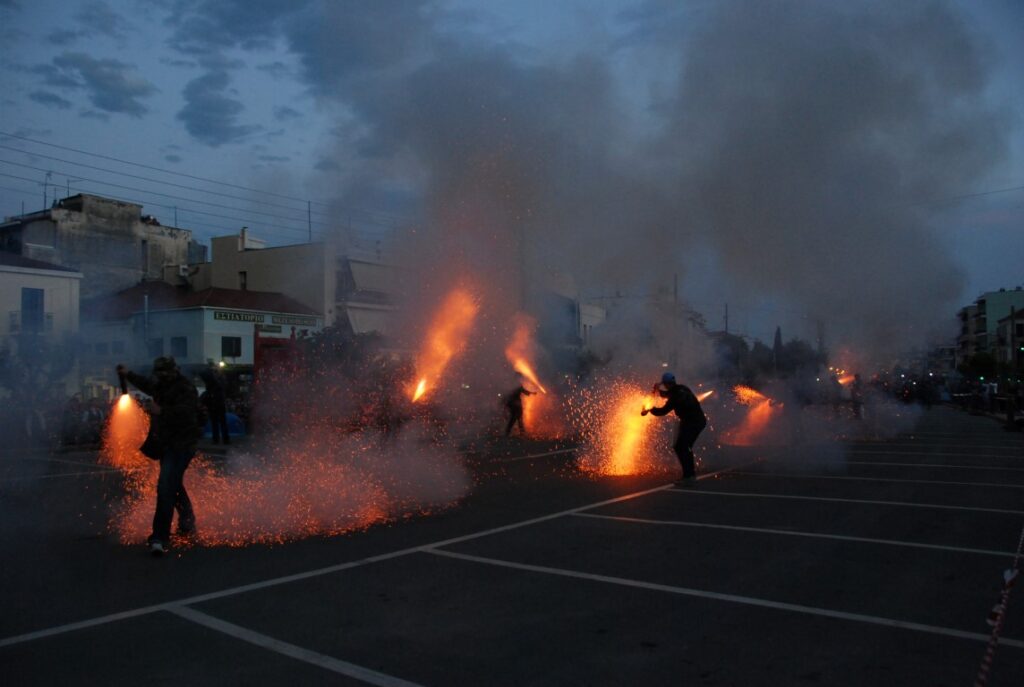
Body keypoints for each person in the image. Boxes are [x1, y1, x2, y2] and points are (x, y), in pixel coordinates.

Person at [117, 357, 200, 556]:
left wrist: (162, 411)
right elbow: (147, 384)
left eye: (163, 372)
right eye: (158, 373)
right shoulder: (161, 385)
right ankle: (187, 521)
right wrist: (128, 374)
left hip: (182, 444)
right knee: (174, 484)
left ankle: (159, 537)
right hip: (167, 444)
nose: (160, 376)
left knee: (165, 486)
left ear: (173, 371)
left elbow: (188, 412)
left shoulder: (185, 388)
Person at [641, 372, 707, 483]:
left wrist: (649, 409)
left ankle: (689, 476)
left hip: (693, 422)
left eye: (664, 385)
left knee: (682, 447)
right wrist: (657, 391)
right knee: (683, 446)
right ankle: (689, 474)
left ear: (666, 384)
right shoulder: (682, 388)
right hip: (696, 421)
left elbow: (662, 411)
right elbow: (667, 394)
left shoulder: (675, 397)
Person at [199, 361, 230, 445]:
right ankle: (216, 439)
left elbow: (221, 385)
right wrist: (210, 369)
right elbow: (203, 374)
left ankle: (225, 439)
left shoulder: (220, 378)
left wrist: (216, 374)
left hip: (219, 402)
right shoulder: (210, 378)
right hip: (212, 403)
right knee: (214, 422)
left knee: (222, 422)